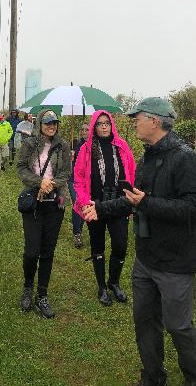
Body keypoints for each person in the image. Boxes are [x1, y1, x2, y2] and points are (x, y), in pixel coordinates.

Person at [81, 98, 196, 386]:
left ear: (154, 121)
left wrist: (147, 202)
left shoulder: (185, 157)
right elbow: (134, 199)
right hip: (145, 260)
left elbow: (191, 208)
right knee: (145, 322)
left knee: (179, 326)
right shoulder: (146, 158)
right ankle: (153, 378)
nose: (133, 124)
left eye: (137, 119)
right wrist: (101, 208)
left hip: (174, 262)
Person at [74, 110, 136, 306]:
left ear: (111, 125)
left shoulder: (122, 147)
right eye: (99, 123)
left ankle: (114, 282)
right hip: (95, 205)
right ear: (93, 126)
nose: (103, 126)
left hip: (118, 204)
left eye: (106, 123)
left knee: (120, 245)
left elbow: (132, 173)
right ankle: (101, 286)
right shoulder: (86, 149)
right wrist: (84, 203)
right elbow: (78, 181)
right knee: (97, 246)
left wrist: (131, 200)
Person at [17, 109, 71, 319]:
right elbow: (21, 169)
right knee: (32, 251)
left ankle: (42, 295)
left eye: (54, 122)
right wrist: (39, 182)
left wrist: (50, 185)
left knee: (48, 251)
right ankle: (28, 287)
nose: (51, 126)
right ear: (39, 123)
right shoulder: (30, 144)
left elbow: (66, 172)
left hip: (54, 205)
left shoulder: (63, 145)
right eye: (47, 122)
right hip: (33, 204)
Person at [68, 123, 89, 248]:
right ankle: (77, 234)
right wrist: (70, 155)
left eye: (87, 129)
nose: (84, 131)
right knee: (77, 202)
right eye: (82, 130)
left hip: (88, 181)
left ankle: (79, 230)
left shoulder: (95, 145)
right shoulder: (75, 143)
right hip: (73, 179)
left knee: (84, 204)